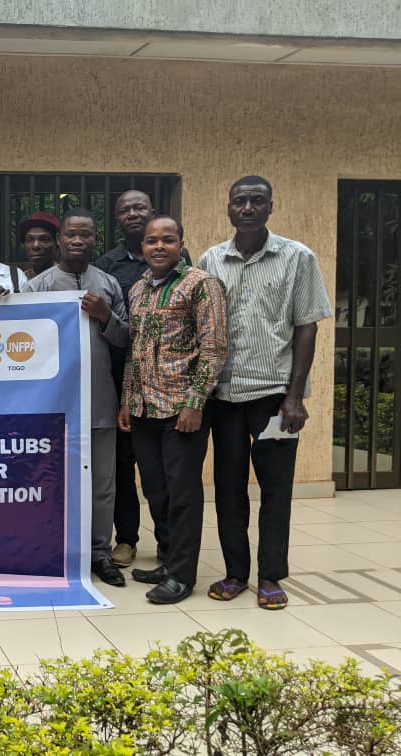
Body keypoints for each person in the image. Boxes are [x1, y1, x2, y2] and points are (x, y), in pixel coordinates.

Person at [198, 175, 333, 610]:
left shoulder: (297, 257)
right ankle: (236, 572)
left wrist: (295, 397)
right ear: (229, 208)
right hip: (225, 397)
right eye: (240, 201)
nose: (248, 208)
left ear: (271, 207)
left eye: (257, 201)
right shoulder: (211, 260)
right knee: (228, 487)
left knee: (275, 489)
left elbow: (306, 326)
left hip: (275, 398)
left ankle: (270, 575)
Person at [117, 216, 228, 604]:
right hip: (144, 409)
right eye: (152, 241)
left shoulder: (201, 284)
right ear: (142, 247)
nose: (159, 246)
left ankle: (182, 575)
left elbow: (214, 349)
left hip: (182, 409)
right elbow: (134, 349)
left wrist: (195, 403)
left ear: (181, 243)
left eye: (168, 239)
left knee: (182, 495)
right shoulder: (138, 289)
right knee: (155, 490)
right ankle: (167, 559)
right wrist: (128, 400)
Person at [17, 208, 130, 587]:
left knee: (103, 483)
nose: (78, 241)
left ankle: (100, 553)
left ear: (96, 239)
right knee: (47, 478)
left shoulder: (109, 284)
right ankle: (50, 549)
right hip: (50, 403)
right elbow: (20, 341)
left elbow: (126, 339)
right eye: (71, 235)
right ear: (59, 240)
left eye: (86, 235)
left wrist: (105, 315)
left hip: (99, 399)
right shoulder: (37, 287)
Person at [95, 190, 193, 569]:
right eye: (125, 209)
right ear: (117, 218)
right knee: (126, 468)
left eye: (140, 207)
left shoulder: (187, 270)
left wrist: (196, 397)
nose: (133, 213)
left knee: (168, 477)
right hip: (125, 381)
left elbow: (206, 339)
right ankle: (127, 539)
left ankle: (172, 552)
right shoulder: (109, 267)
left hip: (172, 389)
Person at [17, 211, 59, 279]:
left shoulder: (70, 279)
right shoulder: (19, 280)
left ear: (57, 242)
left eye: (44, 239)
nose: (35, 245)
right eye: (29, 240)